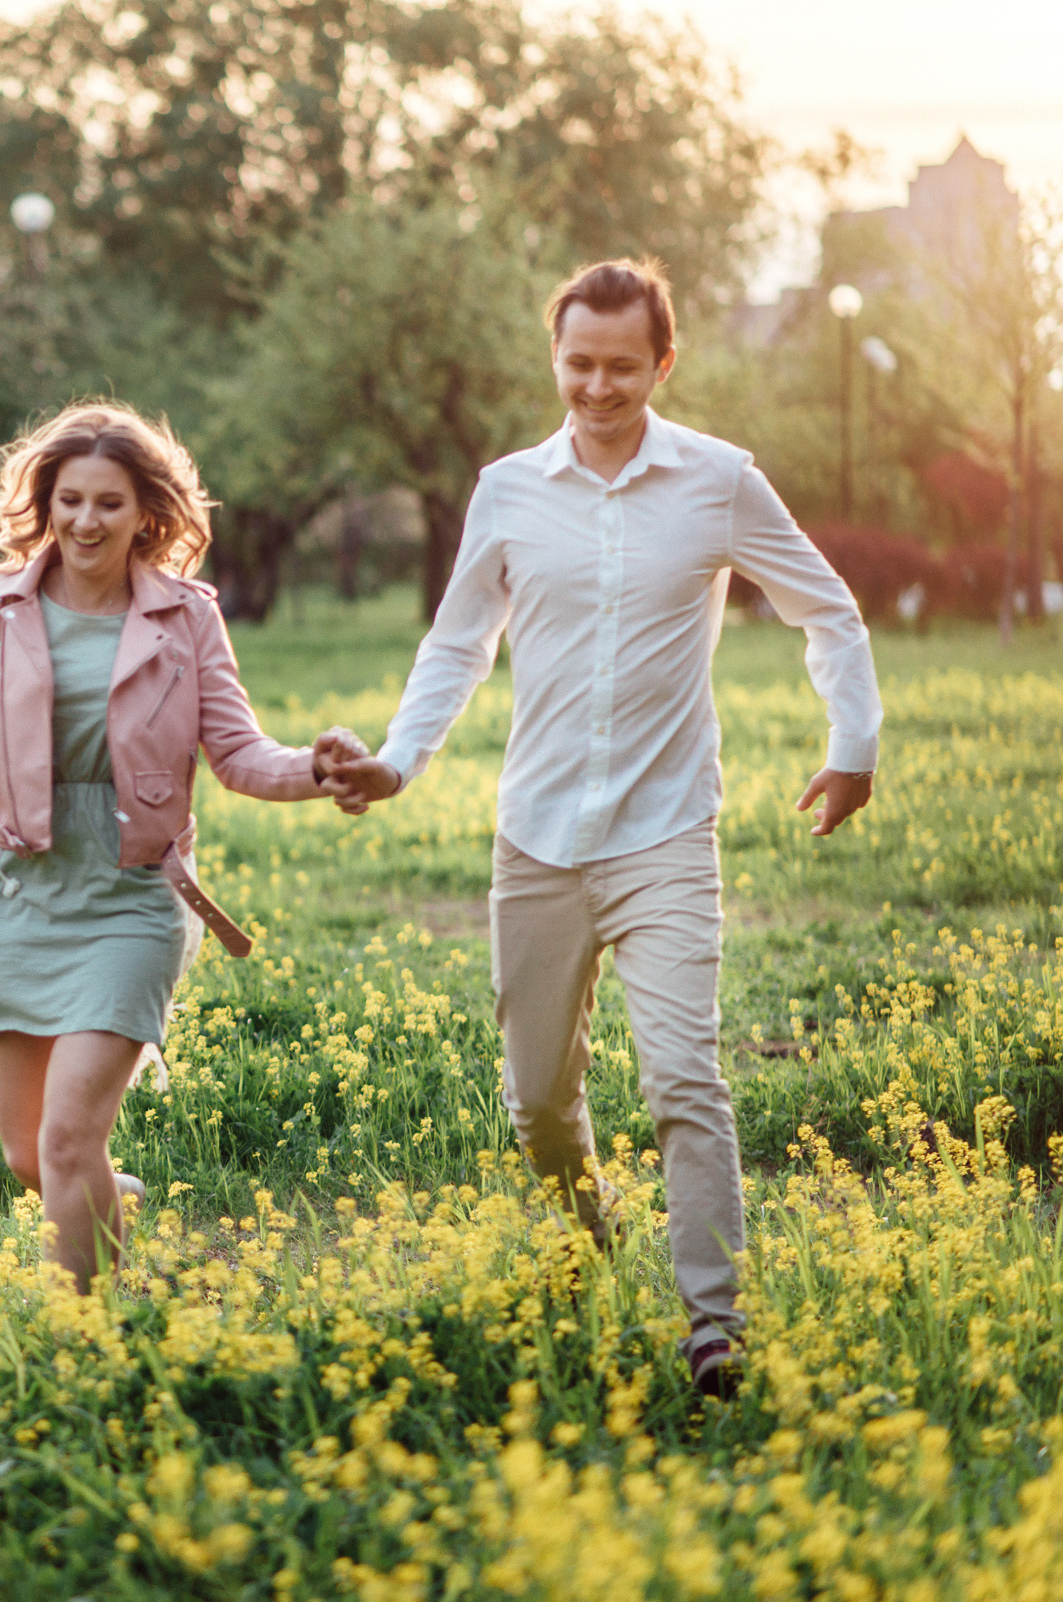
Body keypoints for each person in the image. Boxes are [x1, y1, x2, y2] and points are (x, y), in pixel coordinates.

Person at [323, 258, 884, 1399]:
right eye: (578, 363)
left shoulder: (720, 482)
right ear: (556, 358)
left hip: (668, 834)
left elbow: (827, 607)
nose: (597, 386)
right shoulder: (507, 490)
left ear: (662, 364)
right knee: (538, 1101)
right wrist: (396, 761)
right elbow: (458, 642)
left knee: (684, 1076)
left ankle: (712, 1325)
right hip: (535, 835)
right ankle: (589, 1239)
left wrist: (852, 744)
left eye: (622, 366)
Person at [0, 402, 361, 1291]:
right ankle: (105, 1202)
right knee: (27, 1156)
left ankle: (91, 1329)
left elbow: (237, 754)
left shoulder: (187, 617)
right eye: (70, 499)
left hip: (132, 894)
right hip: (14, 889)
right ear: (45, 504)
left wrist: (319, 769)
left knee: (70, 1139)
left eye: (108, 502)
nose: (86, 521)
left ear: (144, 512)